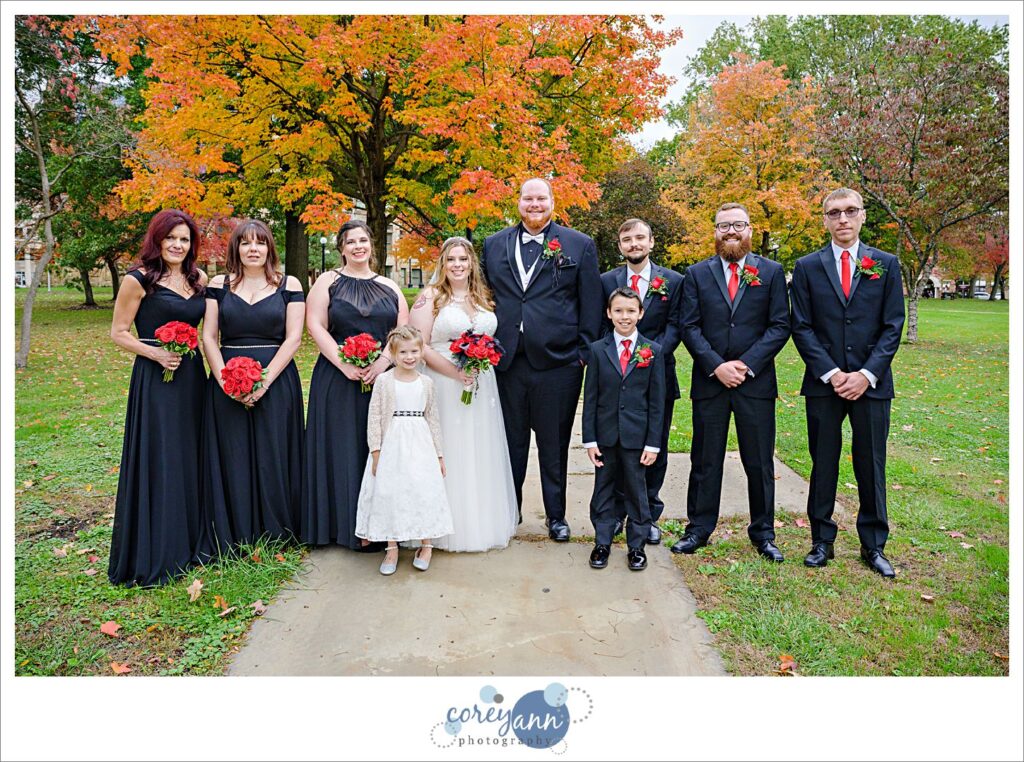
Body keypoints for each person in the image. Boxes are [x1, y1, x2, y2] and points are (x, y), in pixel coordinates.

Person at [790, 188, 905, 578]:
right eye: (834, 212)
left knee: (871, 462)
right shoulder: (807, 266)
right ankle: (822, 540)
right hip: (824, 383)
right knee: (823, 461)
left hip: (872, 383)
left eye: (850, 211)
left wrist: (866, 375)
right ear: (825, 219)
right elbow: (801, 326)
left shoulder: (885, 264)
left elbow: (893, 325)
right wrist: (833, 373)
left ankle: (873, 545)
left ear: (862, 216)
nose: (843, 219)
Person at [480, 178, 603, 542]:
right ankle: (510, 512)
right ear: (518, 202)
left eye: (541, 198)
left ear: (552, 202)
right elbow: (484, 295)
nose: (534, 204)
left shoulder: (578, 244)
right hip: (507, 362)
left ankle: (556, 516)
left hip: (559, 363)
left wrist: (582, 353)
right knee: (510, 443)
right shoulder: (494, 243)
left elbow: (591, 302)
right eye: (528, 198)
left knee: (554, 444)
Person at [673, 203, 791, 562]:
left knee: (759, 461)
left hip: (755, 382)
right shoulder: (696, 274)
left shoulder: (771, 272)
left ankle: (763, 533)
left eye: (738, 225)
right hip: (711, 382)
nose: (731, 232)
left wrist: (746, 364)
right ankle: (698, 528)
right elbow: (689, 326)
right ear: (715, 232)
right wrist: (716, 366)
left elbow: (779, 325)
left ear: (750, 230)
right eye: (723, 226)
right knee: (705, 459)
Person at [108, 209, 208, 586]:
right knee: (163, 454)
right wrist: (156, 354)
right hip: (156, 378)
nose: (178, 245)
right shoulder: (138, 279)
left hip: (192, 376)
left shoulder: (199, 279)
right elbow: (118, 332)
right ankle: (161, 547)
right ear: (158, 240)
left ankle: (193, 540)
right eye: (171, 238)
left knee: (191, 452)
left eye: (184, 239)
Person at [301, 220, 408, 549]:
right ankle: (341, 526)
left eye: (363, 240)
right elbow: (315, 325)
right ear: (341, 248)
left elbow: (402, 333)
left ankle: (381, 529)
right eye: (351, 242)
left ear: (371, 245)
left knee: (378, 450)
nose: (358, 246)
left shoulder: (390, 286)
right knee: (342, 448)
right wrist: (344, 363)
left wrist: (382, 363)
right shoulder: (327, 281)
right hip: (336, 378)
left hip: (382, 379)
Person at [200, 219, 305, 552]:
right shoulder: (219, 284)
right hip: (226, 382)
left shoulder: (289, 284)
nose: (253, 249)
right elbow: (209, 337)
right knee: (233, 455)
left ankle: (277, 532)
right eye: (245, 243)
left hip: (276, 380)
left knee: (273, 454)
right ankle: (236, 532)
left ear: (269, 247)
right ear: (236, 248)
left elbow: (294, 338)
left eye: (260, 242)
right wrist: (226, 381)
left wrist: (263, 382)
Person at [409, 237, 518, 552]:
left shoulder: (482, 296)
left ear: (472, 264)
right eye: (451, 259)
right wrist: (455, 372)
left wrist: (478, 363)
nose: (457, 265)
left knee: (479, 450)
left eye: (463, 259)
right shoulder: (430, 297)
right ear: (443, 264)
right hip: (444, 382)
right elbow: (419, 345)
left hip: (481, 384)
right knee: (450, 450)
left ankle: (479, 524)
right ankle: (441, 528)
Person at [599, 218, 684, 545]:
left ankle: (647, 514)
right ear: (620, 246)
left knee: (654, 446)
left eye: (639, 238)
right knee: (617, 446)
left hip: (658, 376)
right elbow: (600, 327)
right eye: (627, 239)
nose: (633, 244)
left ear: (651, 242)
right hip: (615, 380)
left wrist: (649, 355)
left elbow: (676, 324)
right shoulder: (606, 281)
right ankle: (617, 512)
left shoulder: (673, 281)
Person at [356, 326, 454, 574]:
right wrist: (376, 452)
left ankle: (426, 545)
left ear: (421, 352)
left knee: (422, 491)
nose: (409, 357)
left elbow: (433, 419)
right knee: (391, 492)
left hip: (421, 445)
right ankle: (392, 547)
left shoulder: (427, 383)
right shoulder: (384, 381)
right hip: (392, 444)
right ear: (393, 353)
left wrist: (439, 454)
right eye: (403, 352)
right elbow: (374, 417)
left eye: (414, 351)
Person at [583, 288, 665, 571]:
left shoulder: (653, 351)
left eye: (631, 311)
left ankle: (637, 546)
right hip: (605, 435)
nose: (624, 316)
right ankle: (602, 542)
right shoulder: (597, 350)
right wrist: (590, 440)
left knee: (636, 491)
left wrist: (653, 444)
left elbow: (657, 402)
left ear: (640, 313)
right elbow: (590, 398)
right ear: (609, 313)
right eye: (618, 310)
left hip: (637, 436)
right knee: (603, 489)